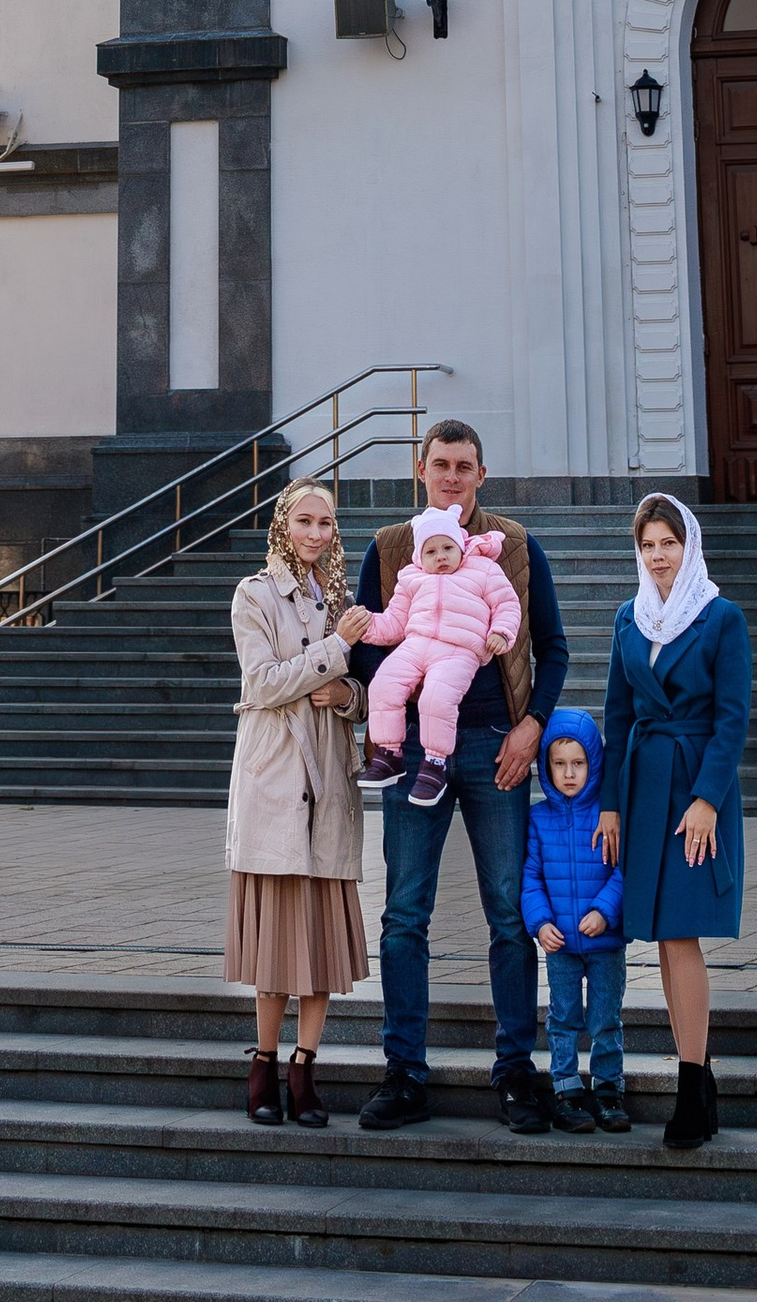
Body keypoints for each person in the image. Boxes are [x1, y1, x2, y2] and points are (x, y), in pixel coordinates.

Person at [346, 417, 570, 1136]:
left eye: (464, 466)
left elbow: (553, 647)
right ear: (421, 469)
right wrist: (395, 705)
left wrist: (532, 725)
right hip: (417, 751)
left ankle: (515, 1072)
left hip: (499, 748)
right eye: (440, 464)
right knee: (405, 912)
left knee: (508, 911)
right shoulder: (389, 548)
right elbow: (368, 649)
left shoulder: (516, 548)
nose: (451, 476)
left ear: (481, 474)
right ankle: (404, 1073)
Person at [596, 492, 750, 1153]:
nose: (658, 556)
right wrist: (609, 804)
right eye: (648, 545)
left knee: (681, 933)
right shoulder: (629, 620)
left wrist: (708, 798)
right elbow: (619, 713)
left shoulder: (721, 619)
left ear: (688, 546)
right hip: (642, 788)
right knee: (660, 934)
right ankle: (700, 1079)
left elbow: (732, 718)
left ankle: (692, 1085)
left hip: (694, 792)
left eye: (669, 543)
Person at [223, 477, 373, 1128]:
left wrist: (350, 699)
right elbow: (260, 683)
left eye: (326, 524)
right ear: (283, 525)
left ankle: (304, 1067)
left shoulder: (342, 599)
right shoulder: (254, 595)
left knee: (317, 947)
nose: (316, 534)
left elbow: (366, 690)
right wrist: (334, 651)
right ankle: (263, 1062)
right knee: (277, 949)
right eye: (305, 521)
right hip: (279, 783)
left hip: (330, 786)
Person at [360, 508, 522, 805]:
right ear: (420, 557)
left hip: (459, 648)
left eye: (448, 548)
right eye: (431, 551)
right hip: (416, 643)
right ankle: (389, 753)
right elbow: (395, 621)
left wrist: (501, 632)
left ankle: (434, 763)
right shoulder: (411, 577)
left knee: (435, 697)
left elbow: (507, 604)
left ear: (461, 547)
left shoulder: (483, 569)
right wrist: (367, 626)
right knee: (383, 683)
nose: (441, 556)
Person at [523, 708, 627, 1132]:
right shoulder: (538, 818)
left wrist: (605, 911)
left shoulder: (608, 815)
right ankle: (566, 1088)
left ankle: (607, 1089)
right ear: (546, 766)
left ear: (594, 764)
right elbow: (530, 876)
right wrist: (540, 922)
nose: (569, 773)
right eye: (559, 764)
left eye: (579, 763)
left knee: (605, 1018)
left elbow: (624, 869)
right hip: (561, 944)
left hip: (605, 943)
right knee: (562, 1017)